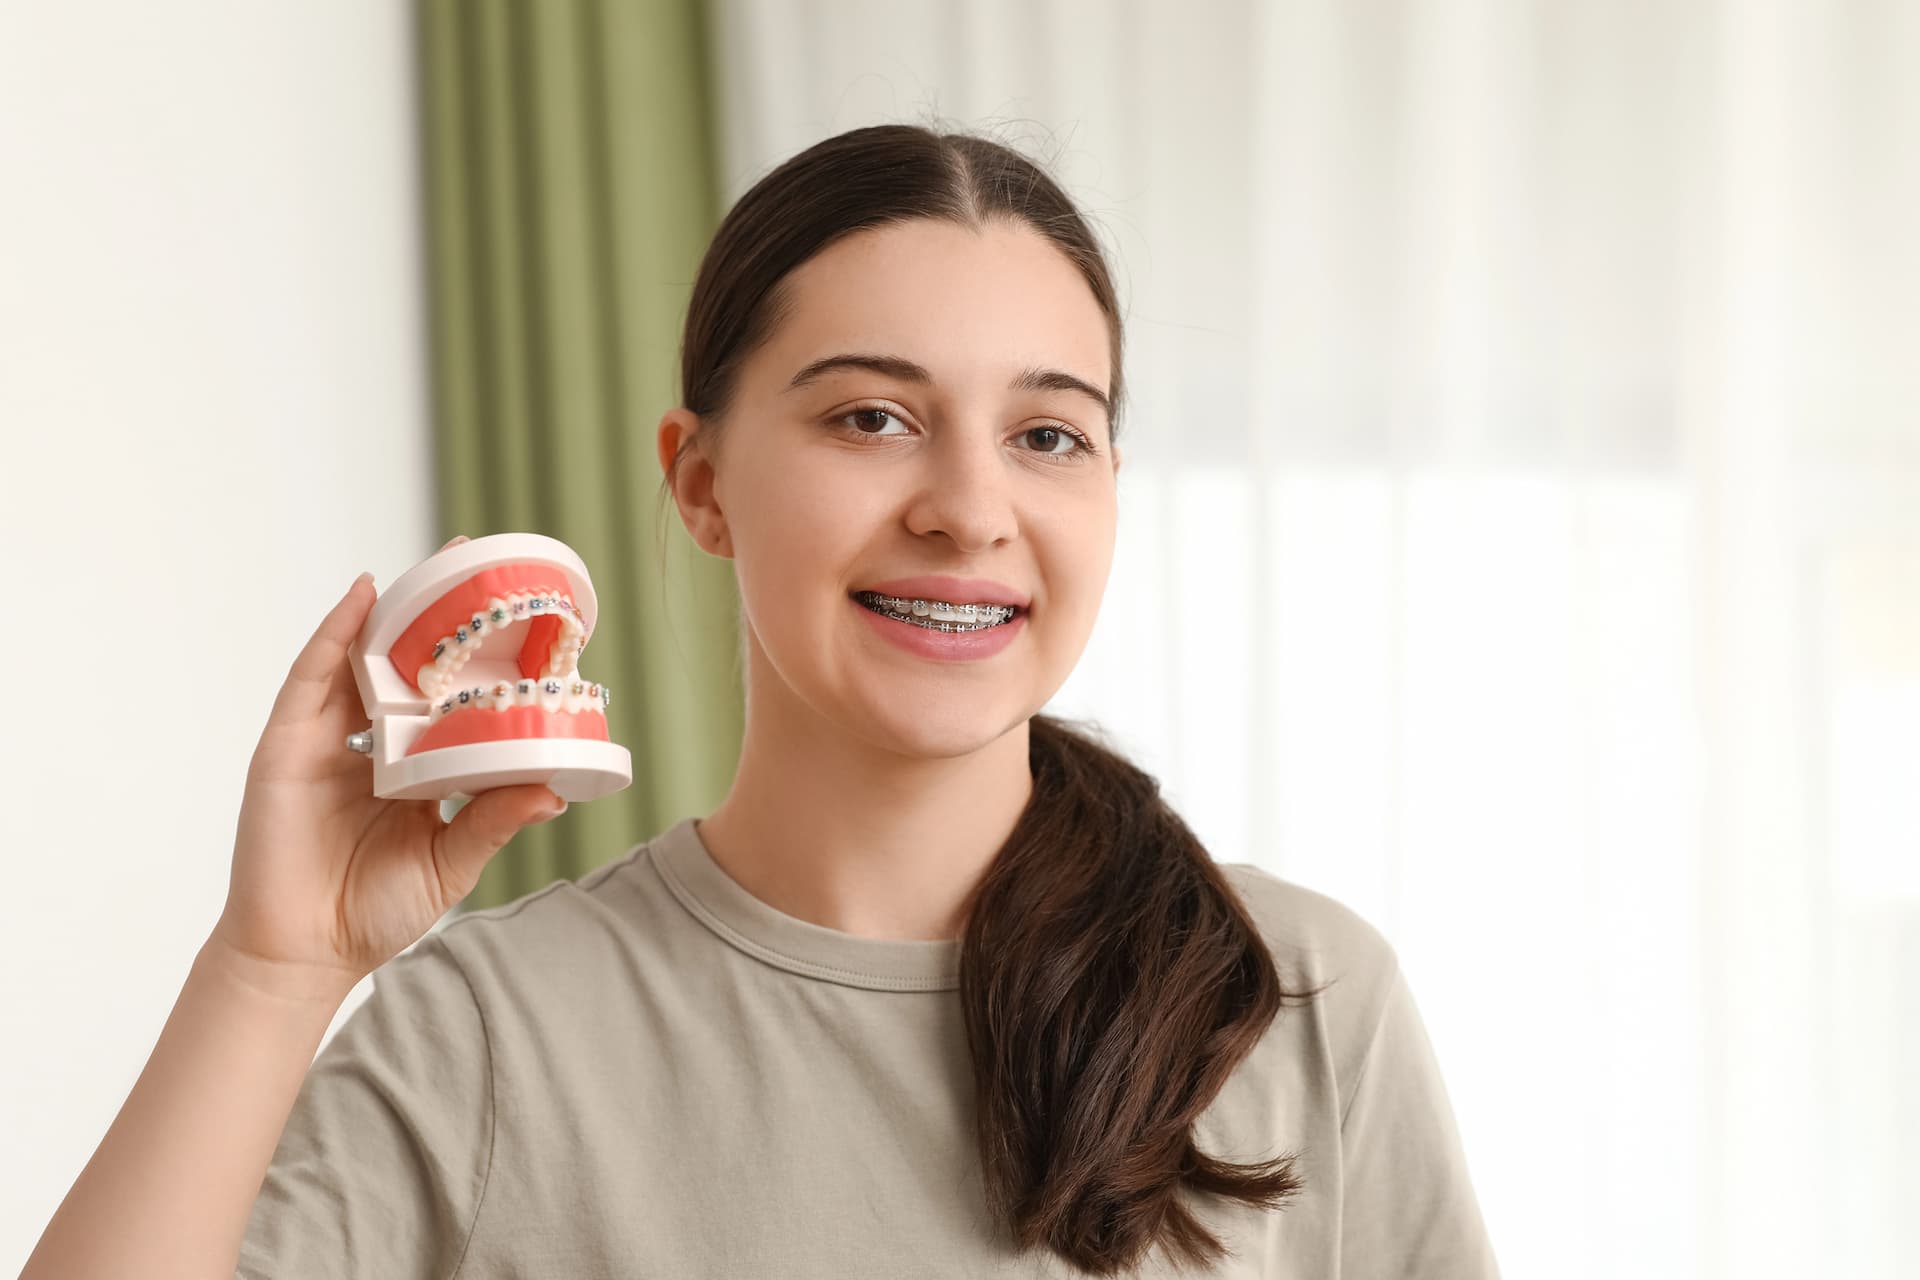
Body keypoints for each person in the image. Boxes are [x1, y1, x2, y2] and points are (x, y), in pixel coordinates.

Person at [23, 123, 1499, 1279]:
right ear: (700, 478)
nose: (971, 509)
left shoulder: (1296, 1001)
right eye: (874, 418)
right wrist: (269, 970)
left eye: (1050, 433)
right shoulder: (487, 1036)